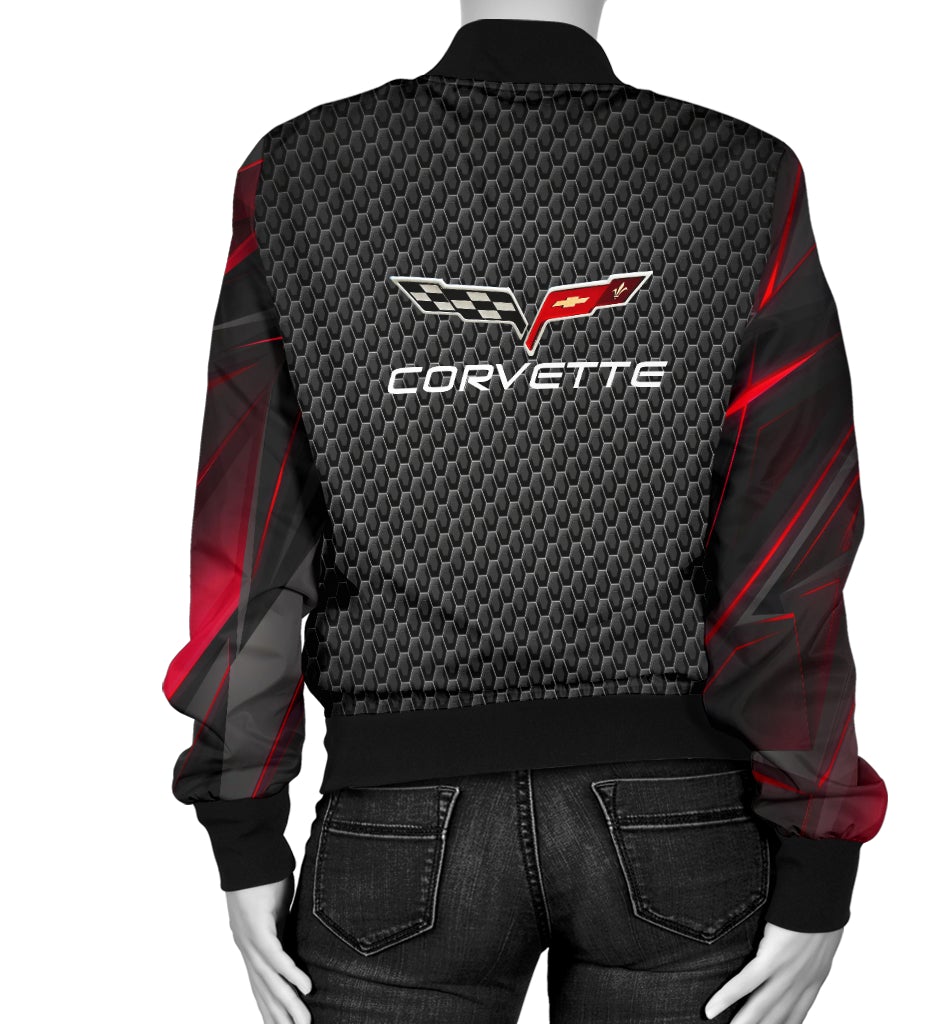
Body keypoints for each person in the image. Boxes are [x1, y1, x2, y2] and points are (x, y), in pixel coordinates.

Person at [161, 2, 888, 1021]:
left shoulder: (302, 174)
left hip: (396, 827)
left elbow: (249, 533)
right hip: (676, 825)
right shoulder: (740, 179)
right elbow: (790, 550)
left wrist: (243, 821)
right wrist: (817, 845)